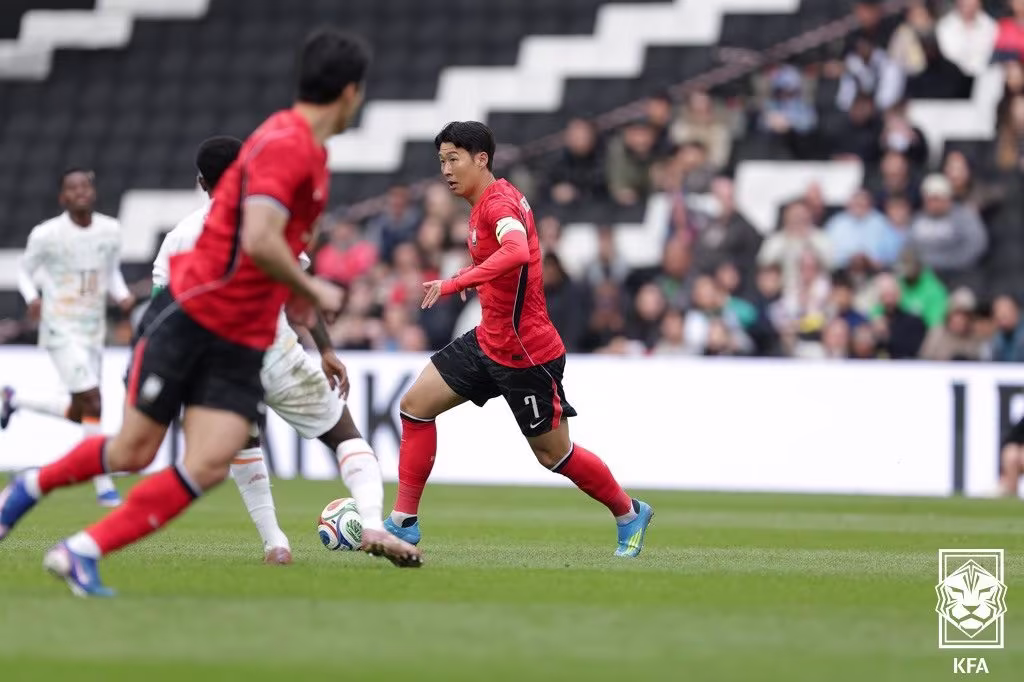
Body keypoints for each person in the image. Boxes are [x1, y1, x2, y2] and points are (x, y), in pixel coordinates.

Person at [0, 28, 421, 598]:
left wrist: (303, 310)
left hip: (240, 337)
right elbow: (260, 238)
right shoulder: (286, 145)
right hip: (192, 319)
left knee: (207, 464)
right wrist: (314, 289)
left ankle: (81, 551)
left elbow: (279, 251)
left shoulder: (309, 156)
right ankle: (28, 490)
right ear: (351, 92)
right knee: (133, 451)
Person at [382, 121, 653, 558]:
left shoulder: (498, 203)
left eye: (453, 159)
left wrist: (457, 281)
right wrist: (478, 277)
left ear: (481, 159)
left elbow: (517, 250)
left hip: (526, 353)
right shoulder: (486, 200)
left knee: (554, 455)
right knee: (415, 406)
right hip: (488, 339)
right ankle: (404, 522)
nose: (446, 170)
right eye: (441, 161)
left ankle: (629, 512)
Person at [145, 137, 395, 566]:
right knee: (345, 436)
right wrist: (326, 349)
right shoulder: (268, 224)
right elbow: (300, 294)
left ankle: (275, 542)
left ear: (202, 182)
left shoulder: (178, 238)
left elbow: (160, 315)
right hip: (275, 352)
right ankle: (371, 523)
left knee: (245, 446)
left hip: (218, 366)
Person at [2, 168, 134, 508]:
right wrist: (33, 298)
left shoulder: (110, 230)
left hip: (93, 329)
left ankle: (15, 400)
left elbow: (111, 272)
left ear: (93, 191)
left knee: (81, 411)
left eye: (85, 186)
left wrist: (122, 296)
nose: (80, 192)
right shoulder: (46, 234)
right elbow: (24, 271)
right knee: (94, 401)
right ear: (62, 197)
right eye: (72, 188)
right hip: (60, 327)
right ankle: (103, 482)